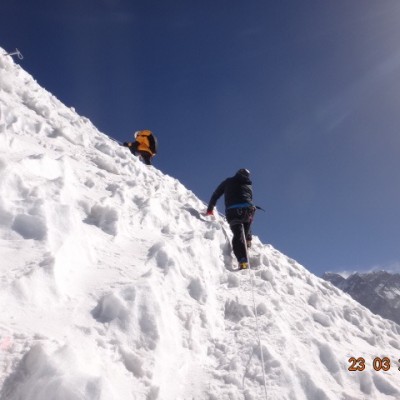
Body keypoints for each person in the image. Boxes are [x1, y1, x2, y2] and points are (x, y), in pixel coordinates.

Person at [206, 168, 255, 270]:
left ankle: (243, 261)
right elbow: (248, 200)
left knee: (238, 235)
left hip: (234, 211)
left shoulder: (228, 181)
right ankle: (248, 238)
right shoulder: (248, 185)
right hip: (248, 211)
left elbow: (216, 194)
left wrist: (210, 208)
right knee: (245, 229)